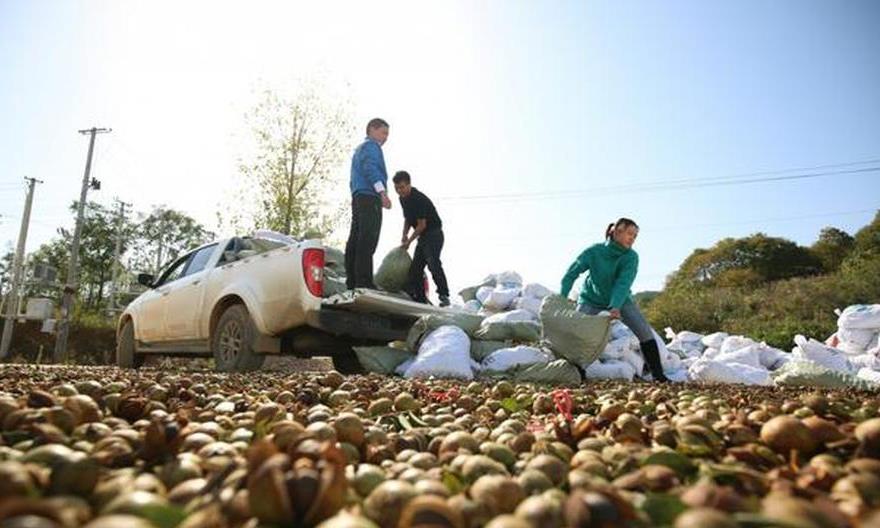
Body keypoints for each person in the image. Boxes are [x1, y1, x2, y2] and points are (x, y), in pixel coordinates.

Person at [560, 218, 669, 382]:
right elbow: (571, 274)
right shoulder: (594, 251)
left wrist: (615, 306)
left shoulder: (631, 257)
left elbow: (623, 283)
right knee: (578, 333)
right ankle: (577, 373)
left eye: (635, 236)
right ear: (616, 232)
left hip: (621, 300)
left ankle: (658, 376)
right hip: (590, 298)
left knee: (645, 332)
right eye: (630, 234)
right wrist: (562, 298)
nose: (633, 238)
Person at [345, 118, 392, 289]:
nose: (385, 137)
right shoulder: (372, 147)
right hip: (369, 195)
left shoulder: (359, 149)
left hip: (358, 195)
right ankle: (364, 281)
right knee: (368, 238)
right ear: (372, 129)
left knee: (356, 239)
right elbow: (371, 168)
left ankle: (352, 281)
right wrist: (382, 193)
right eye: (383, 132)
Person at [392, 170, 451, 307]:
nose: (399, 191)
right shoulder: (402, 198)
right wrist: (404, 234)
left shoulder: (418, 198)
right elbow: (407, 218)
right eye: (396, 188)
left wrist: (409, 242)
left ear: (409, 185)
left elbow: (421, 225)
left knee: (433, 262)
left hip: (433, 234)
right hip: (422, 237)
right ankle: (420, 299)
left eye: (402, 187)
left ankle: (444, 295)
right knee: (415, 270)